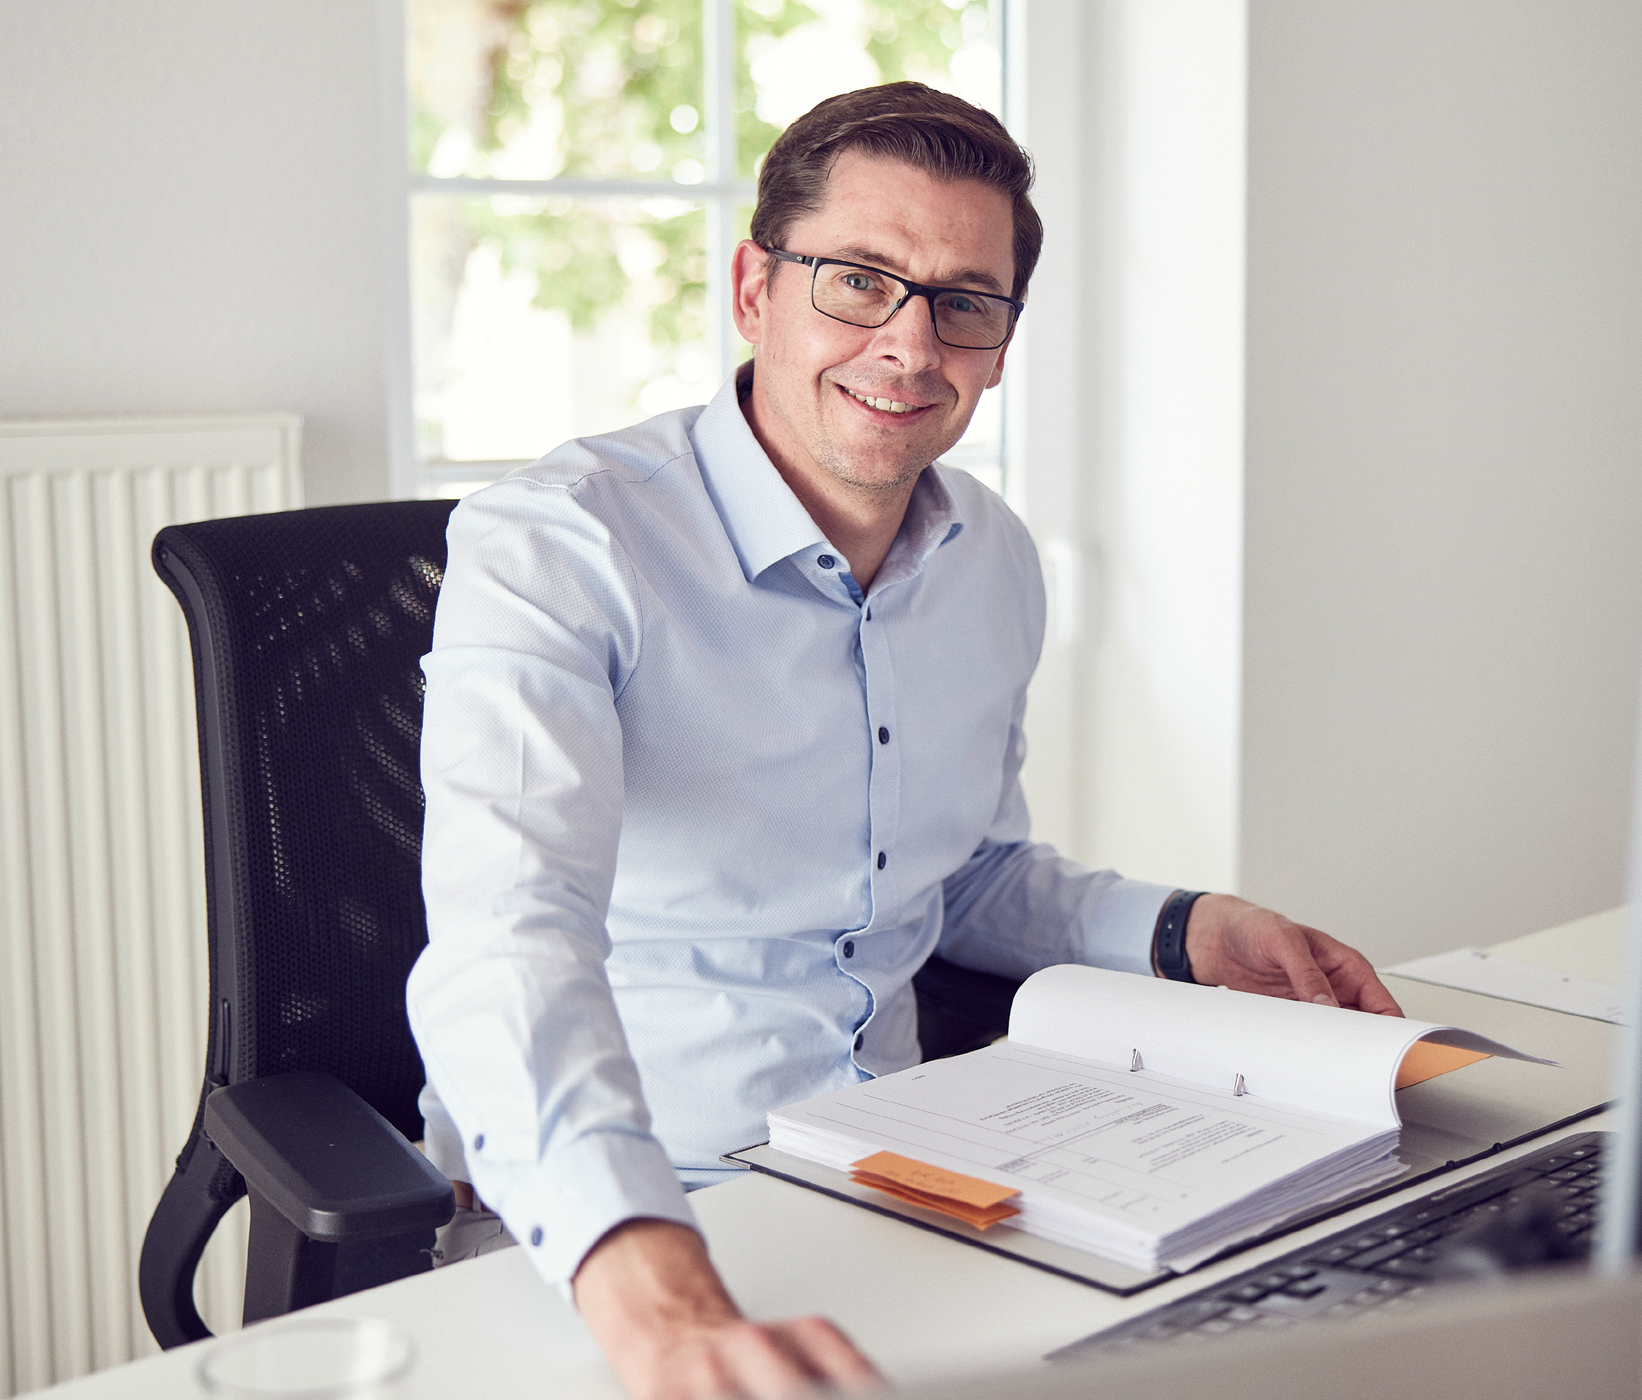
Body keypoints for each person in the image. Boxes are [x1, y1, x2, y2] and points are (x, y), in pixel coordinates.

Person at [407, 81, 1402, 1400]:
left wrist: (1186, 930)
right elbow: (506, 933)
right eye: (859, 281)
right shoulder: (560, 545)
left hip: (905, 1173)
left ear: (1000, 341)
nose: (910, 344)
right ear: (755, 289)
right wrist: (662, 1297)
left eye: (964, 303)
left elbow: (965, 873)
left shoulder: (988, 556)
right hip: (616, 1221)